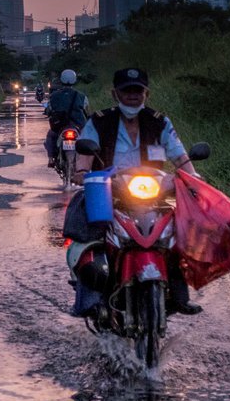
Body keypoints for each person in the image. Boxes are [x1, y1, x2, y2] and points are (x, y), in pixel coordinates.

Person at [74, 66, 201, 314]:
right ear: (115, 94)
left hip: (154, 193)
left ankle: (179, 294)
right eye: (127, 91)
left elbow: (178, 153)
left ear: (146, 94)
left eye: (138, 91)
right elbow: (84, 156)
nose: (133, 95)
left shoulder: (159, 121)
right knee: (88, 235)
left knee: (177, 238)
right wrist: (81, 172)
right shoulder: (99, 120)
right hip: (109, 191)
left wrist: (192, 175)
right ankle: (89, 299)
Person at [44, 68, 89, 167]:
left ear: (61, 79)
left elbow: (49, 109)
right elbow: (86, 109)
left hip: (60, 125)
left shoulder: (54, 96)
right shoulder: (81, 96)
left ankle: (51, 159)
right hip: (78, 125)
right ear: (74, 80)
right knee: (87, 139)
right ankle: (87, 161)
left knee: (50, 136)